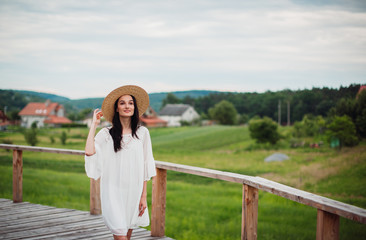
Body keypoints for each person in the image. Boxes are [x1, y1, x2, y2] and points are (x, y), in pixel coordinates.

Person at [84, 85, 156, 240]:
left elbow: (146, 165)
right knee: (121, 236)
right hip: (113, 192)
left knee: (127, 236)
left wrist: (143, 196)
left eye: (130, 103)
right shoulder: (106, 134)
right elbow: (89, 152)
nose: (127, 106)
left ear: (134, 107)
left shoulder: (143, 133)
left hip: (133, 192)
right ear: (116, 108)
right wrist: (94, 125)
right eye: (122, 103)